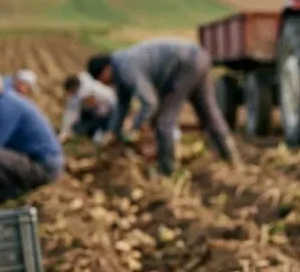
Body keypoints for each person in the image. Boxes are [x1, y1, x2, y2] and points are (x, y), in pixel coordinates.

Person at [86, 38, 239, 175]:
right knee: (209, 114)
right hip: (199, 57)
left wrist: (134, 126)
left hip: (184, 66)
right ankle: (231, 159)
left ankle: (168, 170)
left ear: (105, 71)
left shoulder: (125, 68)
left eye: (101, 80)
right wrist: (114, 131)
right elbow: (122, 104)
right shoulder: (120, 66)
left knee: (164, 121)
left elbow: (149, 102)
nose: (104, 84)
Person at [0, 70, 64, 203]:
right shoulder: (2, 101)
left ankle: (8, 193)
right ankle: (6, 191)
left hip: (43, 167)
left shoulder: (6, 107)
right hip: (31, 161)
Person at [57, 72, 117, 143]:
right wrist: (64, 129)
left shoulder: (85, 92)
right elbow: (70, 110)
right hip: (106, 104)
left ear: (73, 88)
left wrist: (66, 131)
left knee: (94, 134)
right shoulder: (83, 77)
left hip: (109, 110)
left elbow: (92, 107)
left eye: (71, 92)